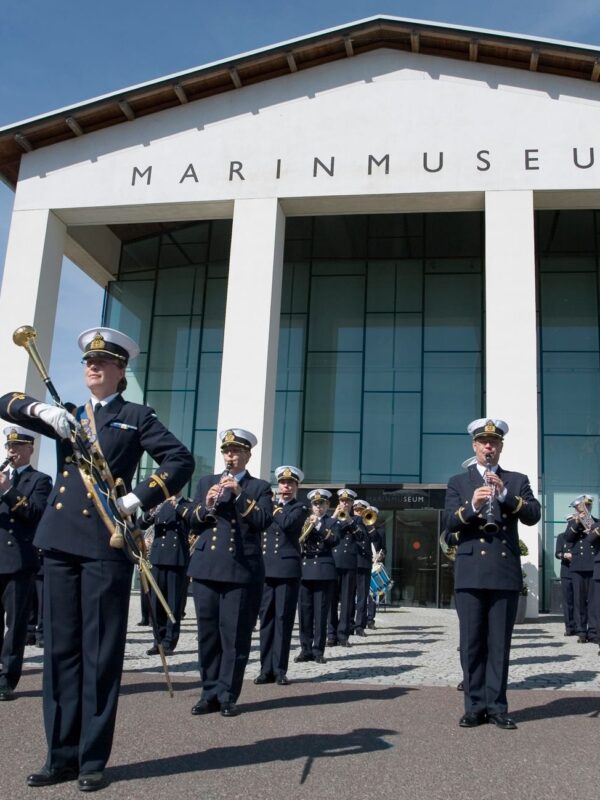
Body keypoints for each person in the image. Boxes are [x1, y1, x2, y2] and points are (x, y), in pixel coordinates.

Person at [0, 327, 194, 791]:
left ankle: (91, 759)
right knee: (59, 652)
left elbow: (179, 460)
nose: (94, 366)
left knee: (99, 652)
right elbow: (6, 400)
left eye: (104, 362)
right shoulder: (67, 415)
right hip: (61, 539)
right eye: (89, 361)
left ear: (121, 371)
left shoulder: (136, 415)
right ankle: (59, 756)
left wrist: (140, 499)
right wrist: (39, 410)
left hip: (106, 543)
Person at [444, 418, 540, 731]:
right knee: (472, 642)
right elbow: (449, 523)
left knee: (499, 643)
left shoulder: (516, 479)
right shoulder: (459, 482)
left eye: (494, 442)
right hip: (471, 572)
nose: (489, 447)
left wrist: (505, 497)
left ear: (500, 447)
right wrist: (472, 505)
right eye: (483, 442)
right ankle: (474, 707)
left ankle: (497, 707)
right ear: (474, 446)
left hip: (503, 572)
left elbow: (533, 515)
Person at [188, 428, 272, 717]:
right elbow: (191, 521)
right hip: (206, 567)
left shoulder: (259, 488)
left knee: (234, 636)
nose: (230, 456)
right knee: (207, 635)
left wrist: (239, 495)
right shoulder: (206, 482)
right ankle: (208, 692)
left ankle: (227, 694)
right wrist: (207, 504)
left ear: (248, 455)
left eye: (236, 451)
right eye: (227, 451)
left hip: (240, 570)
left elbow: (262, 520)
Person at [0, 425, 52, 701]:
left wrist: (8, 489)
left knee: (16, 624)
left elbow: (35, 514)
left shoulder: (40, 480)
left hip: (18, 560)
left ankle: (7, 679)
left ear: (30, 449)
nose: (13, 452)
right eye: (10, 447)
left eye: (18, 447)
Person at [255, 465, 308, 686]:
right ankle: (264, 669)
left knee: (283, 620)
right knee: (266, 620)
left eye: (290, 484)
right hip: (266, 568)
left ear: (296, 487)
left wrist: (273, 508)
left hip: (287, 570)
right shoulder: (267, 507)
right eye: (283, 483)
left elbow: (287, 524)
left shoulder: (300, 507)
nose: (285, 487)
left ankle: (280, 669)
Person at [139, 495, 193, 656]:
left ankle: (169, 642)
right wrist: (152, 512)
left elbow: (193, 524)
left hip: (177, 558)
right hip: (158, 557)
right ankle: (158, 641)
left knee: (173, 604)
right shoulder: (159, 505)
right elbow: (141, 524)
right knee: (156, 603)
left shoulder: (187, 504)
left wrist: (177, 506)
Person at [295, 489, 339, 664]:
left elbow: (334, 540)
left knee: (321, 613)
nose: (318, 507)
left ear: (328, 505)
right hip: (305, 570)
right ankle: (305, 649)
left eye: (322, 504)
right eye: (315, 504)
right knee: (304, 612)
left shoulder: (333, 522)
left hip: (323, 571)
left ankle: (318, 650)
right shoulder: (304, 522)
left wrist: (319, 525)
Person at [327, 488, 366, 648]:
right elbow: (324, 531)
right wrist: (335, 516)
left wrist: (349, 518)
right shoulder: (332, 518)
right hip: (333, 563)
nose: (345, 503)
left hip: (349, 564)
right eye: (342, 501)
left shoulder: (357, 520)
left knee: (347, 601)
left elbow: (361, 536)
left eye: (348, 501)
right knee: (331, 601)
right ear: (339, 502)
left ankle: (343, 634)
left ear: (351, 503)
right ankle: (331, 634)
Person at [563, 495, 597, 644]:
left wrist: (588, 520)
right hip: (578, 566)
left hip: (593, 565)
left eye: (587, 506)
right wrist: (577, 521)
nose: (584, 509)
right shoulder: (572, 522)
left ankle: (594, 631)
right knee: (579, 601)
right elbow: (568, 538)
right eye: (581, 507)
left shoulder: (596, 522)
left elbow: (594, 537)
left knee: (594, 602)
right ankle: (581, 631)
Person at [365, 507, 386, 629]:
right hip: (362, 562)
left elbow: (384, 549)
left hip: (374, 564)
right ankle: (359, 620)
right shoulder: (361, 528)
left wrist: (381, 555)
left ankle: (370, 619)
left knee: (373, 593)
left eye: (372, 515)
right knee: (361, 593)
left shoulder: (381, 531)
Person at [555, 532, 575, 636]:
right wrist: (564, 555)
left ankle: (580, 626)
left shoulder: (582, 536)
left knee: (580, 601)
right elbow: (557, 553)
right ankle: (569, 627)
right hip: (566, 572)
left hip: (579, 572)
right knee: (568, 601)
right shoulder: (561, 536)